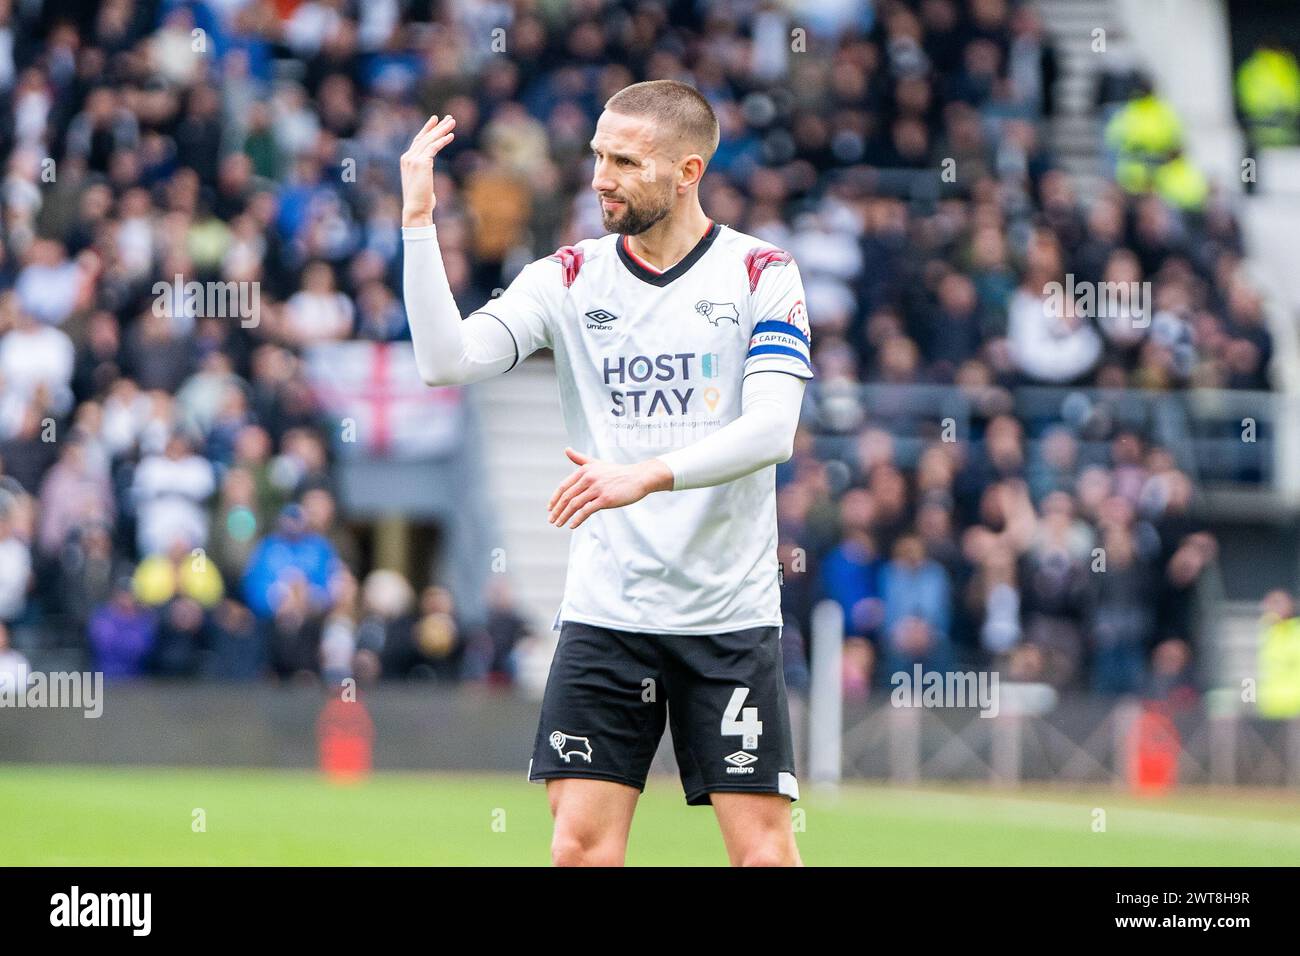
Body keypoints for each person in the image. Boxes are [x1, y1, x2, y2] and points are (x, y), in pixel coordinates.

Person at [401, 81, 810, 866]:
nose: (600, 177)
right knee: (578, 851)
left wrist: (644, 474)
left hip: (726, 616)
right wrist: (419, 223)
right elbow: (443, 360)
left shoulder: (760, 272)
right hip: (608, 612)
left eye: (624, 160)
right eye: (597, 156)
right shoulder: (567, 275)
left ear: (688, 171)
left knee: (762, 854)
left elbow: (772, 430)